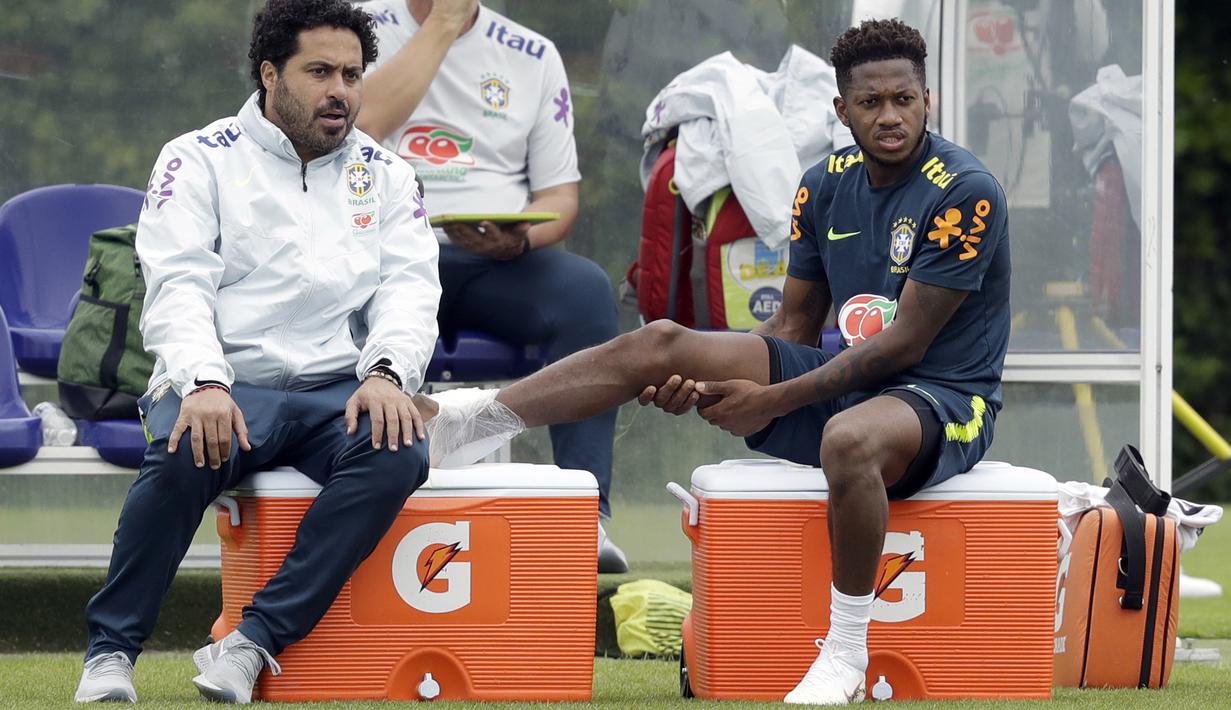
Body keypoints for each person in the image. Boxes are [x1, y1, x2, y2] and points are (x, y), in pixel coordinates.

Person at [421, 18, 1010, 706]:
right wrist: (701, 379)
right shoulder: (822, 184)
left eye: (903, 100)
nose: (888, 117)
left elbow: (904, 345)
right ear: (840, 110)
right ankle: (476, 423)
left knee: (846, 441)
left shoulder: (964, 190)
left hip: (940, 398)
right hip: (853, 378)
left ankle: (846, 652)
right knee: (660, 341)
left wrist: (773, 400)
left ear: (926, 101)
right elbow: (793, 324)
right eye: (870, 102)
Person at [74, 0, 440, 703]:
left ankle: (251, 643)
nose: (341, 91)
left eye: (353, 75)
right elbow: (177, 285)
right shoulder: (197, 158)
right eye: (320, 72)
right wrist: (206, 383)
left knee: (400, 449)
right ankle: (111, 653)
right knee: (186, 446)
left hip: (336, 388)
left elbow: (409, 289)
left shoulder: (387, 174)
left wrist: (389, 371)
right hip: (226, 382)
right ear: (269, 75)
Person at [353, 0, 627, 571]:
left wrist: (519, 239)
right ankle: (359, 494)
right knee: (335, 296)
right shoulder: (356, 27)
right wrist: (445, 24)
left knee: (585, 291)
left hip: (492, 261)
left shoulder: (532, 53)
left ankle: (586, 514)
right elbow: (364, 123)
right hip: (383, 250)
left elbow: (558, 200)